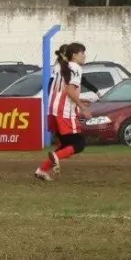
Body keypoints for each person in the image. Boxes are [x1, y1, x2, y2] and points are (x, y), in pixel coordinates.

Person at [35, 43, 90, 181]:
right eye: (82, 53)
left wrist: (80, 100)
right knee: (79, 144)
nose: (84, 56)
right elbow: (69, 90)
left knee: (66, 145)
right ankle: (55, 157)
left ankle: (42, 170)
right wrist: (82, 108)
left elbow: (61, 90)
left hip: (53, 109)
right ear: (74, 55)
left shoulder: (60, 66)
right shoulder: (76, 68)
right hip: (65, 111)